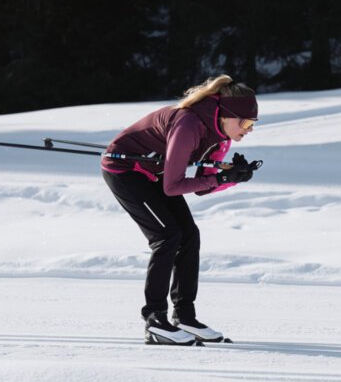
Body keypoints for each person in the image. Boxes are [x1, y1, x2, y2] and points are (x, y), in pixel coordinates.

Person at [101, 75, 260, 345]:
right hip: (126, 171)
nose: (248, 129)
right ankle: (155, 320)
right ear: (227, 115)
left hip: (156, 173)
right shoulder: (189, 124)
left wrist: (230, 179)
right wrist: (221, 178)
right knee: (166, 236)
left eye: (253, 124)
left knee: (189, 235)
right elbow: (174, 186)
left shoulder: (222, 137)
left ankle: (184, 316)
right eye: (245, 122)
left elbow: (201, 186)